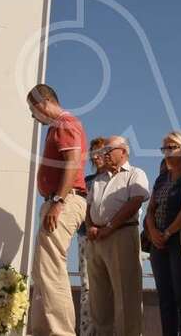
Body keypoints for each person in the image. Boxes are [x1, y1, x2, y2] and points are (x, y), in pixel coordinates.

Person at [27, 84, 88, 336]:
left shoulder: (65, 123)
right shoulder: (57, 127)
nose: (33, 115)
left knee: (51, 269)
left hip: (63, 200)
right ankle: (42, 331)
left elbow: (72, 162)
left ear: (45, 102)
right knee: (43, 271)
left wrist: (58, 201)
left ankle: (62, 333)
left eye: (33, 109)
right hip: (56, 200)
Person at [85, 136, 150, 336]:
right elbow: (89, 207)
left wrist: (110, 227)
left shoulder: (135, 173)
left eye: (109, 149)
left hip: (121, 234)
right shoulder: (98, 179)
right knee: (98, 296)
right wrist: (90, 227)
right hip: (96, 238)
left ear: (123, 151)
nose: (104, 153)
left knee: (126, 295)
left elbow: (135, 202)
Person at [146, 131, 181, 336]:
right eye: (165, 148)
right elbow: (151, 209)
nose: (167, 152)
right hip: (158, 242)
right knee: (165, 297)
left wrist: (167, 233)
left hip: (180, 239)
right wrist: (153, 232)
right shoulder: (162, 178)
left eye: (172, 147)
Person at [77, 138, 108, 336]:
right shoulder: (86, 182)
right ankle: (86, 331)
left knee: (111, 286)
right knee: (87, 288)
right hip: (85, 239)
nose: (96, 156)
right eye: (93, 152)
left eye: (101, 152)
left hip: (111, 237)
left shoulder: (119, 179)